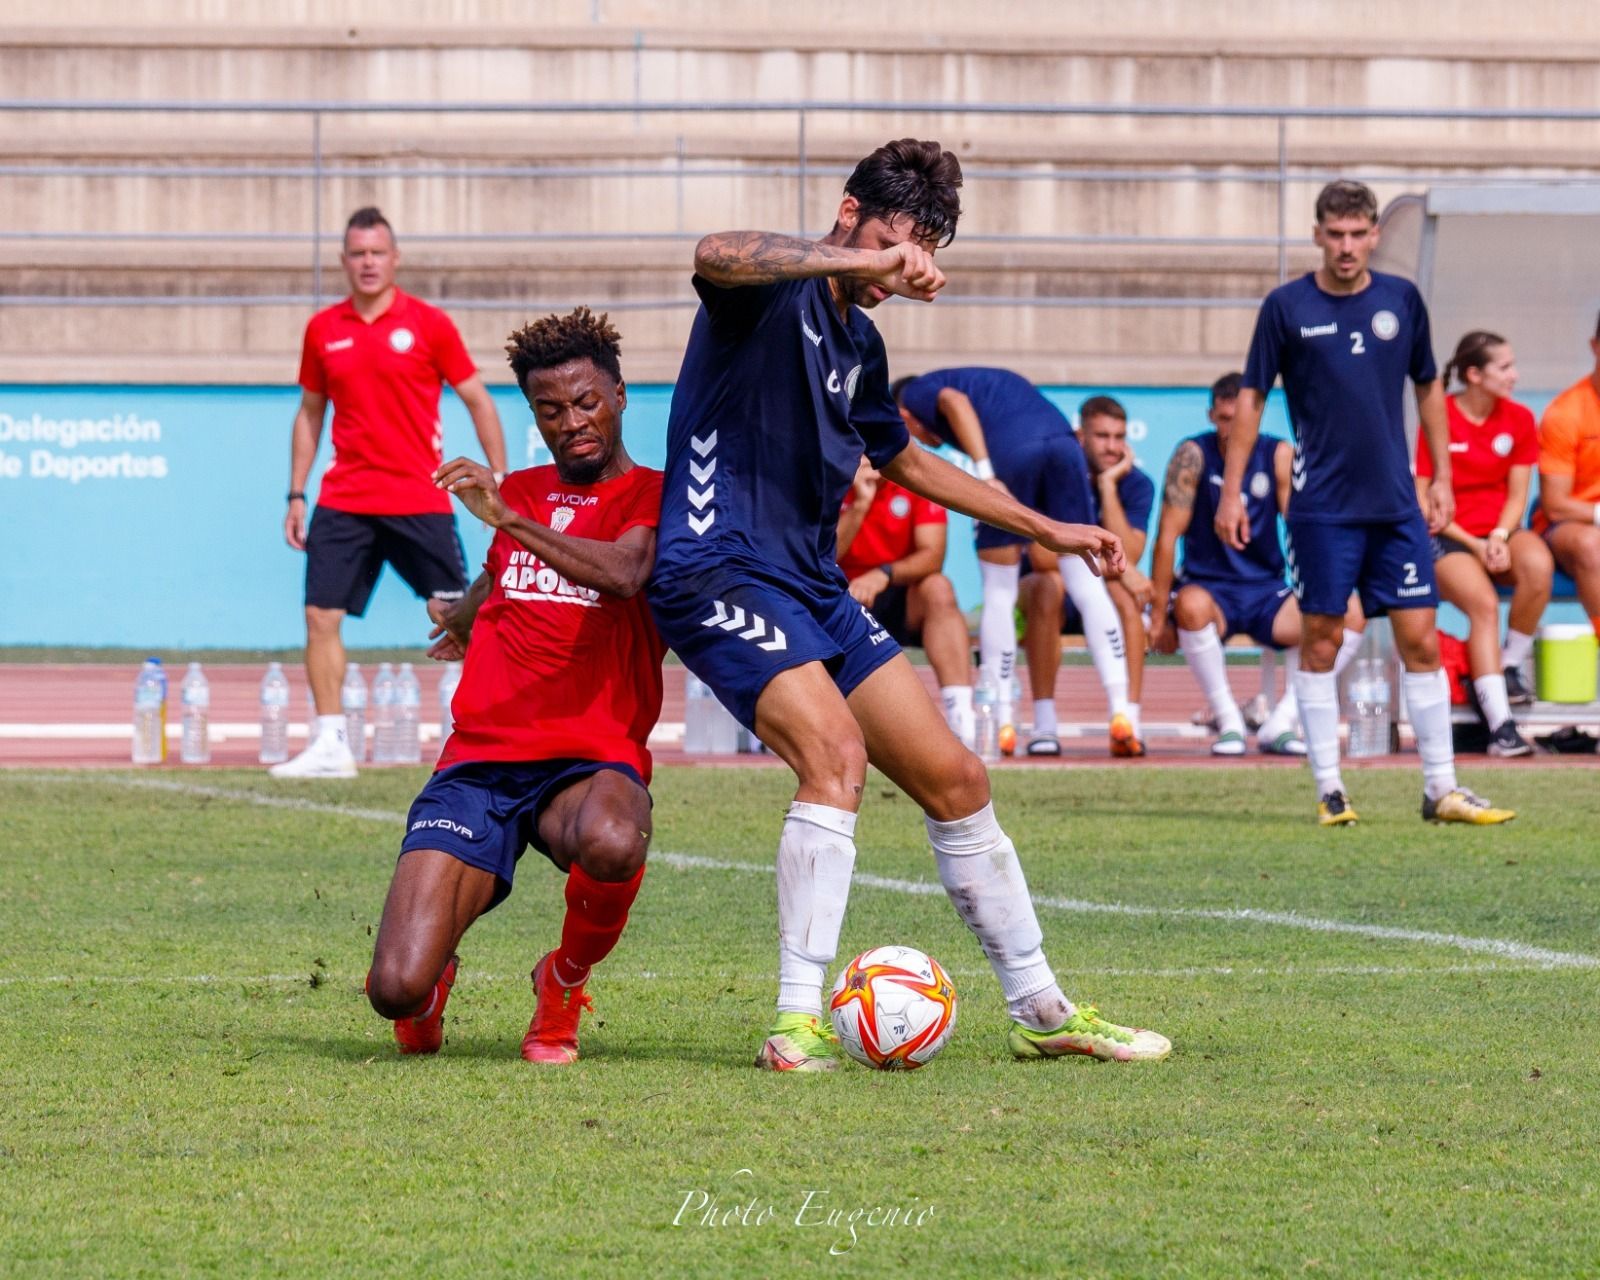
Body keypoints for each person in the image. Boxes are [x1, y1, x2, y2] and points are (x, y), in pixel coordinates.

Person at [648, 138, 1169, 1070]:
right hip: (715, 567)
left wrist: (1043, 524)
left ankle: (1043, 1010)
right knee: (835, 757)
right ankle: (796, 1020)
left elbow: (907, 460)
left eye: (927, 249)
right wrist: (863, 258)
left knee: (960, 782)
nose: (912, 264)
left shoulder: (859, 342)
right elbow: (714, 249)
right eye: (902, 239)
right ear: (851, 212)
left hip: (807, 579)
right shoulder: (766, 288)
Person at [365, 309, 663, 1066]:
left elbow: (626, 574)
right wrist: (462, 615)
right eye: (551, 410)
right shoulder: (524, 493)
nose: (573, 423)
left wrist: (506, 516)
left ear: (621, 395)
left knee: (613, 839)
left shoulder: (654, 498)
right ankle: (434, 982)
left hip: (588, 762)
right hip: (481, 763)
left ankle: (561, 982)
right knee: (394, 988)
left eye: (586, 401)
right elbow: (502, 573)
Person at [1218, 179, 1514, 826]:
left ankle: (1442, 790)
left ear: (1375, 235)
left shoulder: (1401, 300)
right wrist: (1235, 488)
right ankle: (1330, 788)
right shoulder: (1286, 306)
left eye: (1359, 234)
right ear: (1318, 234)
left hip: (1398, 507)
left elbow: (1428, 386)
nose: (1347, 247)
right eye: (1336, 234)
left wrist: (1440, 477)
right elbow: (1252, 399)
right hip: (1322, 508)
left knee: (1422, 641)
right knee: (1322, 641)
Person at [276, 206, 508, 779]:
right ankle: (332, 744)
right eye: (357, 254)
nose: (368, 263)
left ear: (395, 258)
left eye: (377, 252)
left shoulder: (429, 324)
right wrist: (296, 494)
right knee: (319, 616)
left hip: (419, 497)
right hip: (345, 499)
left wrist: (497, 480)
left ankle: (499, 737)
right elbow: (309, 415)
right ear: (344, 261)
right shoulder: (323, 330)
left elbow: (477, 398)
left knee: (463, 615)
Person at [892, 369, 1140, 757]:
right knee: (1087, 582)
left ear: (904, 416)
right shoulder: (987, 384)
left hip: (1009, 451)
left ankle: (1003, 718)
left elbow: (953, 403)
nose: (925, 444)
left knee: (999, 589)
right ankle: (1123, 712)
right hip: (1061, 443)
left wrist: (985, 473)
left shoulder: (919, 391)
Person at [1147, 373, 1361, 757]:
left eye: (1241, 419)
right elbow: (1166, 538)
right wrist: (1159, 616)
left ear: (1257, 418)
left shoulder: (1278, 456)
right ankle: (1229, 720)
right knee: (1191, 605)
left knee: (1351, 612)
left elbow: (1304, 530)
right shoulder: (1192, 456)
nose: (1233, 428)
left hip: (1266, 591)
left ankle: (1282, 721)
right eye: (1225, 419)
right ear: (1212, 415)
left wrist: (1321, 587)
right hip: (1210, 591)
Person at [1416, 331, 1549, 756]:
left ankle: (1507, 665)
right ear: (1474, 374)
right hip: (1450, 538)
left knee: (1538, 564)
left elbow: (1517, 496)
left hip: (1497, 535)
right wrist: (1474, 543)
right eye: (1504, 367)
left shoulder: (1520, 419)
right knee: (1484, 606)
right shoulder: (1440, 418)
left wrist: (1498, 536)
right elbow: (1423, 497)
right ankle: (1502, 729)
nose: (1515, 375)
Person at [1017, 395, 1154, 756]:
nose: (1112, 447)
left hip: (1100, 590)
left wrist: (1108, 487)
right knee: (1047, 586)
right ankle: (1045, 724)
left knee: (1128, 596)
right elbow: (1040, 556)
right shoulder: (1053, 472)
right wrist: (1117, 571)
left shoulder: (1136, 484)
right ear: (1080, 436)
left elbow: (1133, 554)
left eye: (1119, 437)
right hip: (1054, 590)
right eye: (1102, 436)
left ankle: (1127, 720)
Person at [837, 456, 974, 743]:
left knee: (938, 587)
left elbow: (932, 556)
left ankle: (961, 712)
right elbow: (822, 558)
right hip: (842, 594)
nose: (867, 457)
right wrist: (860, 504)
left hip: (899, 594)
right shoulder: (831, 479)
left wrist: (883, 574)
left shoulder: (917, 480)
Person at [1532, 316, 1600, 645]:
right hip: (1568, 525)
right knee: (1592, 545)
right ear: (1594, 346)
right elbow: (1556, 506)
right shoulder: (1565, 413)